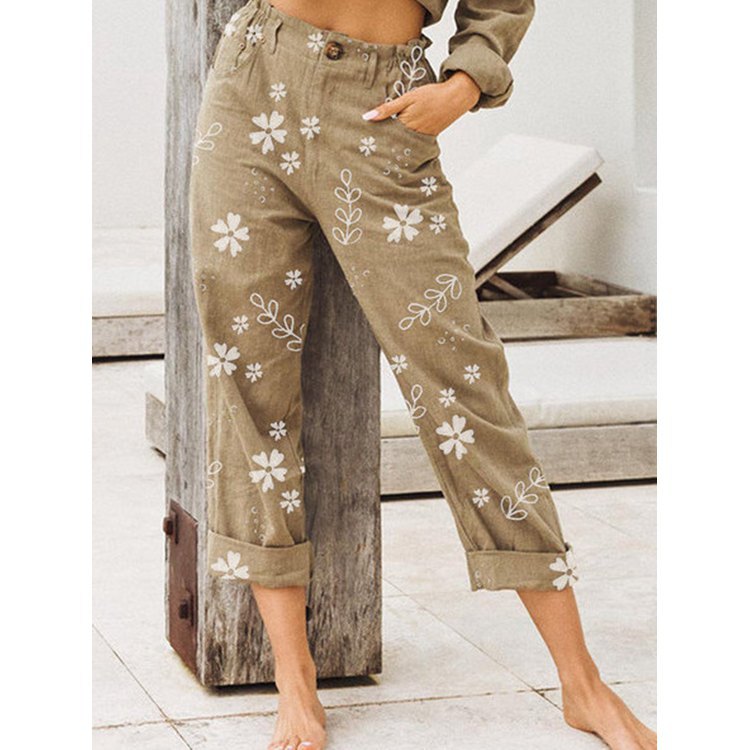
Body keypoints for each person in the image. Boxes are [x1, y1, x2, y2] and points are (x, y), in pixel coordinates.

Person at [188, 1, 657, 748]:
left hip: (380, 106)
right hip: (252, 87)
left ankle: (582, 682)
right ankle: (294, 680)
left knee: (465, 386)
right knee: (249, 382)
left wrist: (465, 84)